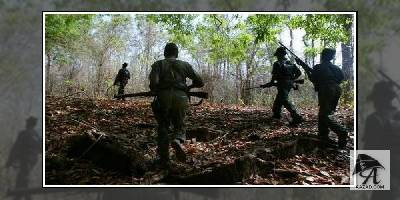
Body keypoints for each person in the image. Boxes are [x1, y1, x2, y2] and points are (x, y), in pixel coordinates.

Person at [149, 43, 204, 168]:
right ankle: (177, 140)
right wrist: (189, 87)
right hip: (181, 96)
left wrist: (155, 89)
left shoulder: (158, 64)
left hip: (163, 97)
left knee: (163, 125)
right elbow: (200, 81)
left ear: (165, 53)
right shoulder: (185, 65)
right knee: (180, 124)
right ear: (177, 53)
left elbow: (154, 82)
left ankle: (164, 159)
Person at [295, 48, 347, 148]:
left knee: (324, 115)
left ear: (323, 55)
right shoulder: (336, 68)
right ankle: (323, 135)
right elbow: (341, 78)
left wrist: (305, 68)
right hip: (337, 89)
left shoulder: (318, 67)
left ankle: (341, 132)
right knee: (325, 113)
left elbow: (313, 78)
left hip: (327, 89)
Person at [261, 46, 303, 125]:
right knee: (279, 98)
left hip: (282, 84)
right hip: (289, 84)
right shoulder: (291, 63)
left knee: (284, 100)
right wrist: (291, 80)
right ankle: (276, 114)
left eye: (277, 55)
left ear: (280, 54)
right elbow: (299, 73)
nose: (277, 56)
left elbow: (274, 76)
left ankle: (296, 116)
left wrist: (271, 83)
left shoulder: (277, 64)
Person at [6, 116, 41, 200]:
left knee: (22, 179)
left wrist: (9, 161)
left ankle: (21, 197)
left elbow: (16, 148)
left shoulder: (24, 133)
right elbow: (41, 149)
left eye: (27, 122)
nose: (25, 124)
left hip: (25, 160)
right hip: (33, 160)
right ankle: (19, 197)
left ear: (28, 123)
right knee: (22, 179)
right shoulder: (37, 135)